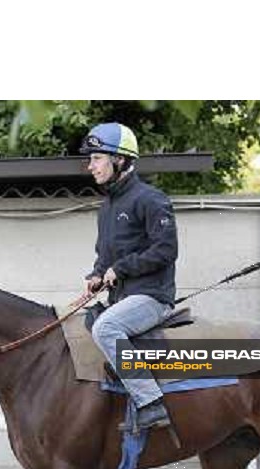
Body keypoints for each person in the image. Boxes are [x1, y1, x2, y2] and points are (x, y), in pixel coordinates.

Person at [79, 122, 178, 431]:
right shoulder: (106, 207)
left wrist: (119, 269)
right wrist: (97, 274)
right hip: (122, 298)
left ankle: (151, 403)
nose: (90, 166)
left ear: (119, 159)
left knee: (106, 328)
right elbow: (105, 256)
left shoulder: (150, 199)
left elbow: (166, 250)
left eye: (96, 158)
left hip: (152, 297)